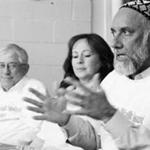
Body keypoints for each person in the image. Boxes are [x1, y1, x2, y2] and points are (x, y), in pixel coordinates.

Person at [24, 0, 150, 149]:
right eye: (114, 32)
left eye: (126, 32)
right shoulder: (114, 79)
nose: (115, 43)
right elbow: (96, 141)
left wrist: (109, 115)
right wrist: (66, 121)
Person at [24, 33, 114, 150]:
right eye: (75, 56)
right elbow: (42, 138)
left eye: (87, 55)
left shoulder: (108, 96)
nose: (79, 61)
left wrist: (66, 120)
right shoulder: (64, 94)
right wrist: (29, 147)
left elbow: (98, 142)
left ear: (103, 59)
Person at [0, 43, 47, 149]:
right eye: (1, 65)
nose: (5, 71)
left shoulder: (34, 87)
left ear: (25, 68)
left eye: (12, 65)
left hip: (17, 147)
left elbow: (35, 127)